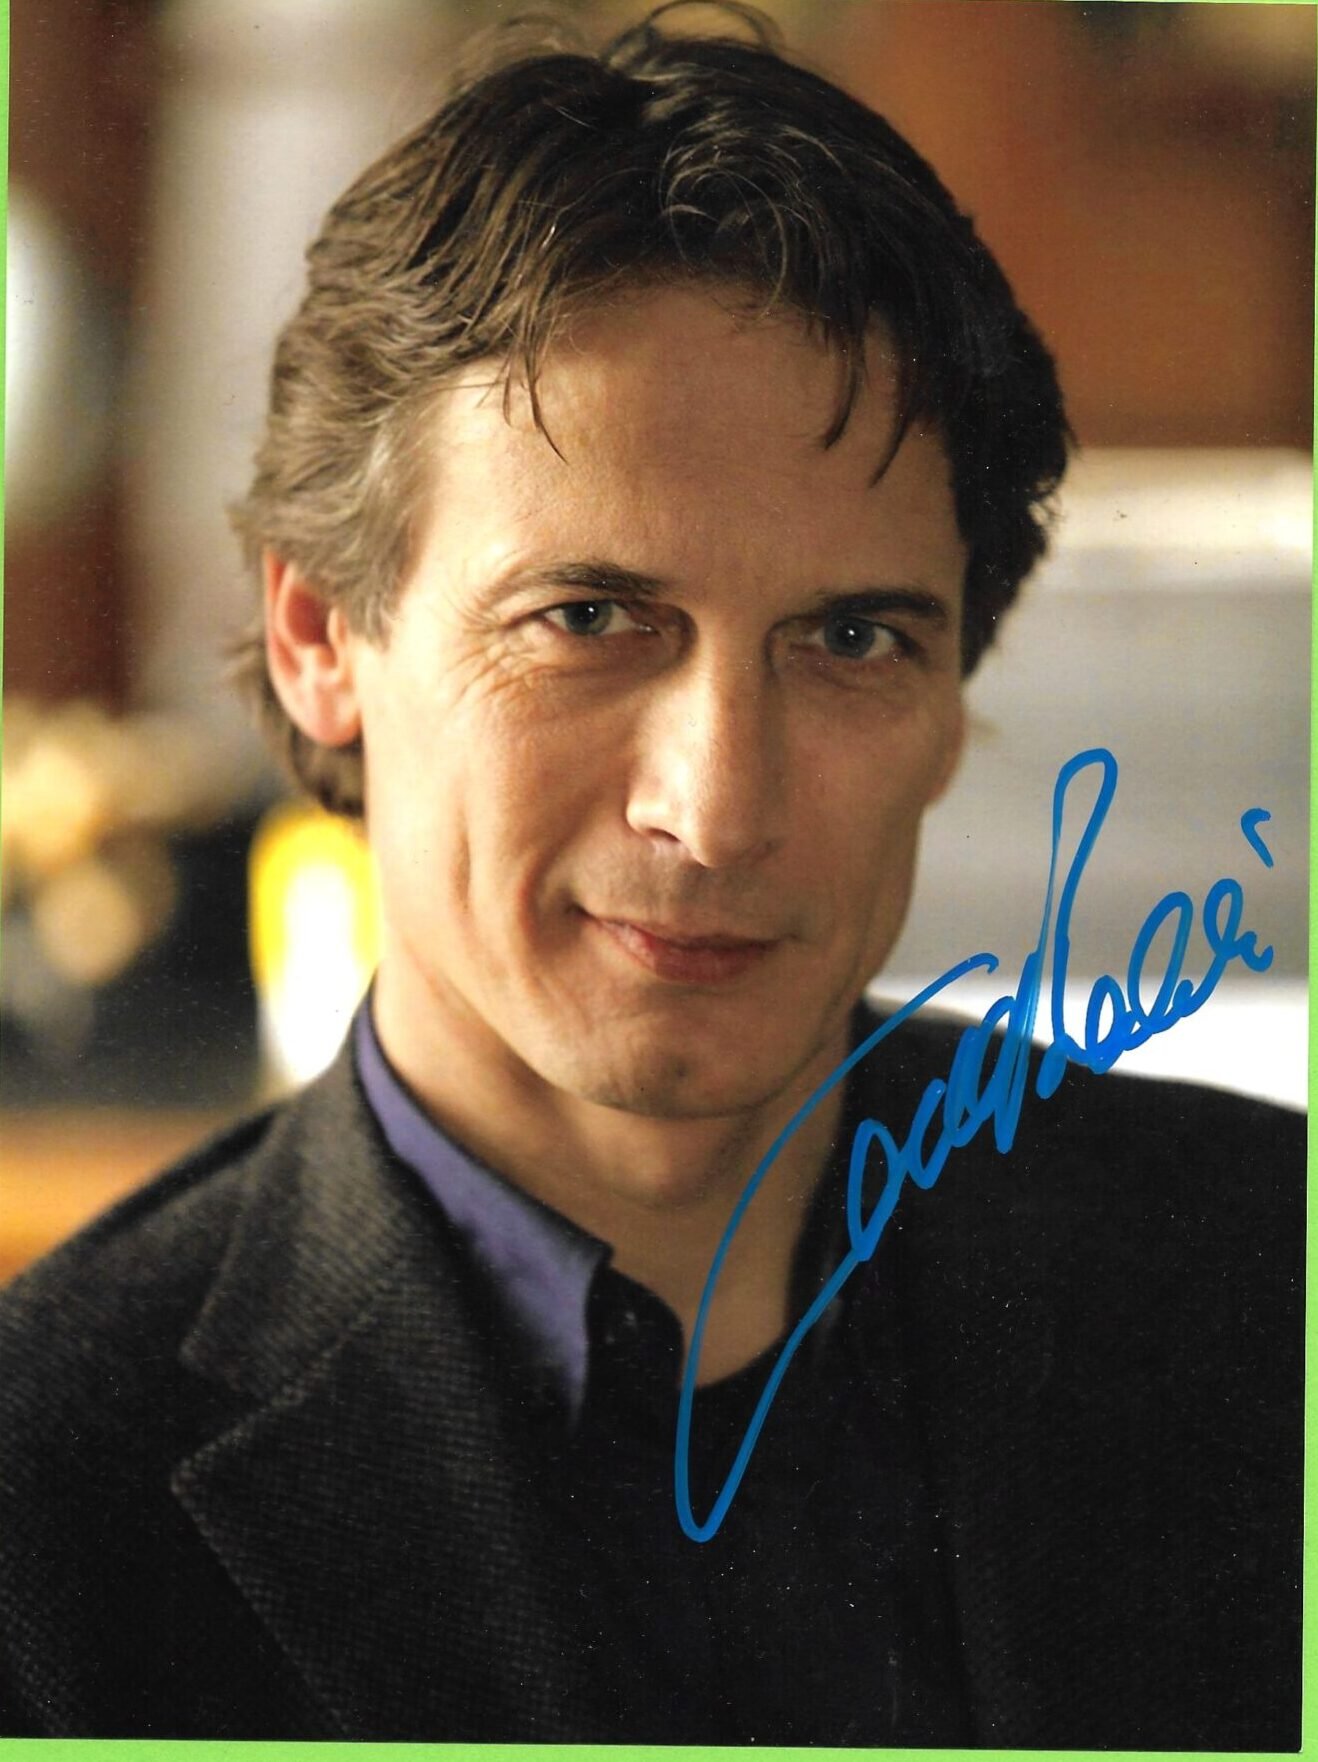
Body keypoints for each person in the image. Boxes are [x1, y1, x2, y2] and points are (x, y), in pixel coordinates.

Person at [0, 5, 1302, 1746]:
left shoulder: (1270, 1289)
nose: (719, 807)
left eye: (850, 639)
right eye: (590, 617)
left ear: (952, 699)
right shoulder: (40, 1512)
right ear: (318, 637)